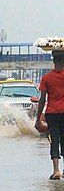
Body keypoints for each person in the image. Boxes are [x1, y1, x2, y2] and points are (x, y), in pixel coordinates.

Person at [35, 51, 64, 180]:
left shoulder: (46, 78)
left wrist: (37, 119)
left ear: (54, 61)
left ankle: (56, 170)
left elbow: (42, 100)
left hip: (51, 113)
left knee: (54, 140)